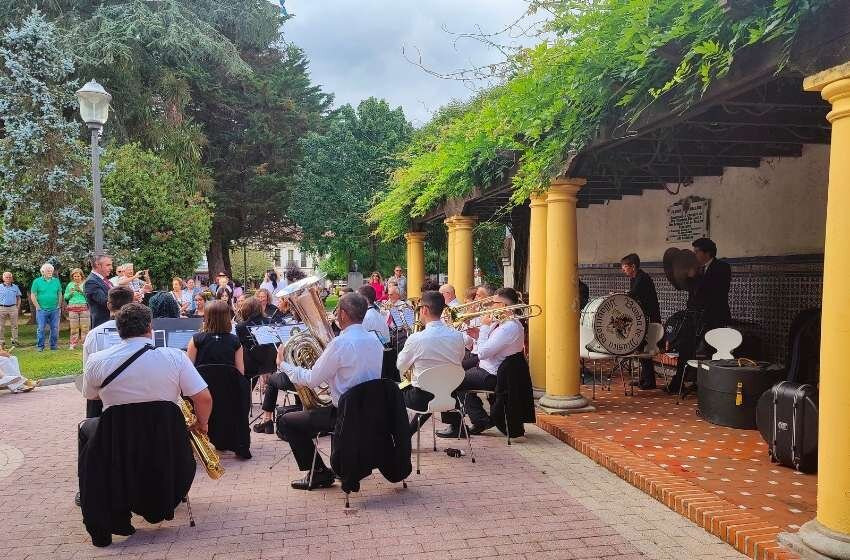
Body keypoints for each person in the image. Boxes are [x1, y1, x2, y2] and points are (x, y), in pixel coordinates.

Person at [79, 303, 212, 545]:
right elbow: (203, 398)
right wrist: (202, 425)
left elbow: (91, 395)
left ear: (119, 331)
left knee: (85, 429)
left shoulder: (97, 360)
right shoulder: (174, 356)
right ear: (150, 328)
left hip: (117, 440)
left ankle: (99, 499)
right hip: (165, 440)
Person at [275, 292, 383, 489]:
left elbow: (311, 379)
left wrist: (283, 364)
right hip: (369, 411)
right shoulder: (375, 340)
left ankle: (318, 473)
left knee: (286, 421)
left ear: (342, 314)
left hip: (344, 414)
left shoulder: (340, 343)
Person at [439, 287, 525, 438]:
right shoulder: (502, 323)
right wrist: (478, 335)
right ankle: (480, 420)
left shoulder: (509, 327)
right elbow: (491, 346)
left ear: (503, 306)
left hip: (492, 374)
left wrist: (484, 327)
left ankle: (457, 426)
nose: (491, 306)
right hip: (487, 368)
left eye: (494, 303)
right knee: (456, 375)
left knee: (450, 380)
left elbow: (483, 353)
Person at [667, 238, 732, 394]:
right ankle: (679, 383)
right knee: (685, 347)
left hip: (713, 317)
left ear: (707, 252)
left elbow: (713, 292)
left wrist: (695, 277)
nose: (694, 255)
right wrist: (689, 278)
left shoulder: (722, 268)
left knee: (708, 351)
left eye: (697, 251)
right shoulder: (698, 269)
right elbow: (692, 293)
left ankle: (707, 387)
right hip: (695, 317)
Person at [395, 290, 465, 435]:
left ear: (425, 309)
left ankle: (399, 438)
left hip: (421, 399)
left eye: (419, 309)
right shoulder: (458, 336)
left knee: (389, 393)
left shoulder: (416, 339)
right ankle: (407, 433)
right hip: (450, 396)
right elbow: (458, 361)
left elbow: (400, 366)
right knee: (431, 385)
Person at [621, 254, 661, 390]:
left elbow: (633, 294)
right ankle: (645, 379)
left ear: (633, 266)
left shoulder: (642, 278)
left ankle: (649, 381)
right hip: (642, 318)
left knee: (645, 348)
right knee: (642, 348)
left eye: (625, 267)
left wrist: (620, 295)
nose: (623, 270)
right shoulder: (635, 278)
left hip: (649, 318)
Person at [235, 297, 277, 381]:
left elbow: (240, 347)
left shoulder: (241, 326)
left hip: (251, 367)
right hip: (271, 363)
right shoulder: (270, 322)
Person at [30, 262, 63, 352]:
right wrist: (37, 306)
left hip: (54, 309)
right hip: (42, 310)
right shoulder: (37, 281)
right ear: (43, 272)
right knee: (41, 328)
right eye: (48, 270)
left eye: (51, 270)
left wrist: (58, 305)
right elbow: (33, 295)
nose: (50, 272)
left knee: (55, 328)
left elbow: (59, 293)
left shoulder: (56, 281)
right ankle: (40, 346)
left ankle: (53, 346)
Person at [84, 255, 114, 329]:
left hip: (109, 322)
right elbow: (104, 300)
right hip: (101, 324)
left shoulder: (104, 280)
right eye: (108, 265)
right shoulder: (91, 281)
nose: (111, 268)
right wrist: (128, 298)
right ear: (97, 265)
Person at [65, 268, 90, 350]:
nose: (76, 278)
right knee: (74, 327)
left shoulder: (85, 284)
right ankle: (73, 344)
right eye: (74, 276)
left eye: (78, 276)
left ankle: (85, 343)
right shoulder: (70, 284)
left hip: (84, 306)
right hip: (72, 307)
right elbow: (66, 297)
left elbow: (89, 296)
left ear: (81, 276)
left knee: (85, 327)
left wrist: (81, 291)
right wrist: (70, 293)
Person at [0, 271, 22, 348]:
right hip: (1, 308)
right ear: (3, 278)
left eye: (10, 277)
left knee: (14, 325)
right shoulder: (0, 287)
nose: (8, 278)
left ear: (11, 278)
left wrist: (18, 307)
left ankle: (15, 340)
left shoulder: (15, 287)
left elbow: (18, 298)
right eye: (6, 277)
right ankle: (1, 342)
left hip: (13, 308)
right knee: (1, 326)